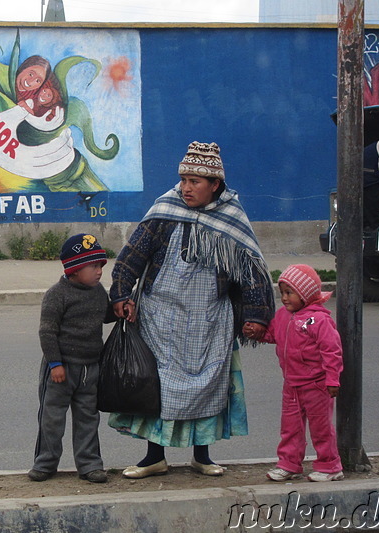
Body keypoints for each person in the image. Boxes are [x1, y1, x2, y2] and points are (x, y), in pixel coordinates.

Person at [109, 141, 275, 478]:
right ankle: (153, 456)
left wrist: (256, 316)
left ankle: (203, 455)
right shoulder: (164, 213)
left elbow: (252, 273)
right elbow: (131, 257)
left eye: (195, 182)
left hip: (209, 322)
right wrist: (121, 294)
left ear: (215, 185)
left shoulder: (231, 220)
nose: (186, 188)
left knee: (209, 386)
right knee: (158, 386)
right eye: (183, 179)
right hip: (158, 318)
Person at [29, 233, 117, 484]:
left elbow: (105, 315)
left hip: (90, 369)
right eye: (93, 266)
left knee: (88, 418)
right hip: (61, 369)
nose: (99, 271)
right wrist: (55, 364)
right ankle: (45, 463)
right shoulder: (57, 294)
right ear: (75, 270)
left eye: (101, 265)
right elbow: (47, 332)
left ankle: (90, 464)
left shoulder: (98, 291)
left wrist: (120, 310)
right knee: (52, 418)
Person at [244, 264, 344, 482]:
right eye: (282, 293)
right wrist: (256, 332)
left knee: (321, 428)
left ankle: (330, 466)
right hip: (291, 385)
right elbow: (272, 334)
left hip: (317, 385)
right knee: (290, 427)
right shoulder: (282, 316)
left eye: (289, 293)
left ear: (306, 293)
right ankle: (289, 464)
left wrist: (332, 379)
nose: (284, 298)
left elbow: (332, 351)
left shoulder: (319, 320)